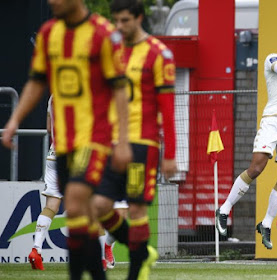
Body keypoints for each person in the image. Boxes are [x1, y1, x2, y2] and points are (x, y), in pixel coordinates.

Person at [2, 0, 132, 278]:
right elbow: (36, 81)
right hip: (64, 149)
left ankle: (124, 248)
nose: (53, 2)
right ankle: (107, 255)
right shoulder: (50, 33)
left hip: (94, 141)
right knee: (77, 211)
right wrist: (14, 120)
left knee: (81, 205)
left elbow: (119, 89)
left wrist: (122, 139)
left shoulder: (103, 34)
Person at [92, 0, 177, 279]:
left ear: (139, 18)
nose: (119, 26)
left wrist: (170, 153)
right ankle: (141, 251)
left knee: (137, 207)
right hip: (112, 144)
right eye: (116, 20)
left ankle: (137, 271)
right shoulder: (111, 51)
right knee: (101, 206)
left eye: (125, 20)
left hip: (144, 145)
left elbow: (168, 108)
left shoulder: (158, 54)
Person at [215, 28, 277, 249]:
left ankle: (268, 223)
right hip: (272, 122)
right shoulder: (274, 59)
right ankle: (224, 209)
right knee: (256, 168)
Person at [28, 96, 62, 271]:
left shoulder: (52, 97)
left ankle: (36, 250)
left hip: (54, 155)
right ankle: (99, 257)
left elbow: (49, 128)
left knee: (51, 205)